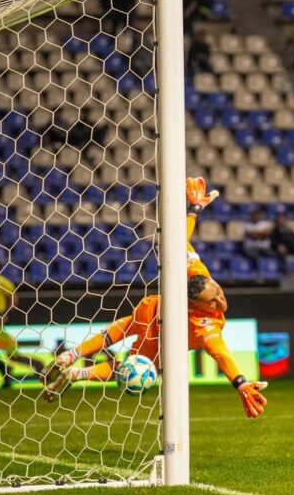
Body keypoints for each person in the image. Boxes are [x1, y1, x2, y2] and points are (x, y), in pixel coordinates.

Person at [42, 178, 268, 418]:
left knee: (128, 325)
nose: (220, 302)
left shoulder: (196, 273)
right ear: (194, 305)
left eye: (219, 293)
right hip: (160, 335)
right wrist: (240, 383)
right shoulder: (205, 326)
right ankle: (78, 374)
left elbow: (179, 241)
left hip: (152, 307)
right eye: (211, 302)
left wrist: (194, 209)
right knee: (140, 370)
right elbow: (221, 354)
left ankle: (70, 357)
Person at [0, 259, 45, 388]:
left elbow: (14, 296)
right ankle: (6, 373)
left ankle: (6, 372)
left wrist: (6, 313)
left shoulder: (2, 281)